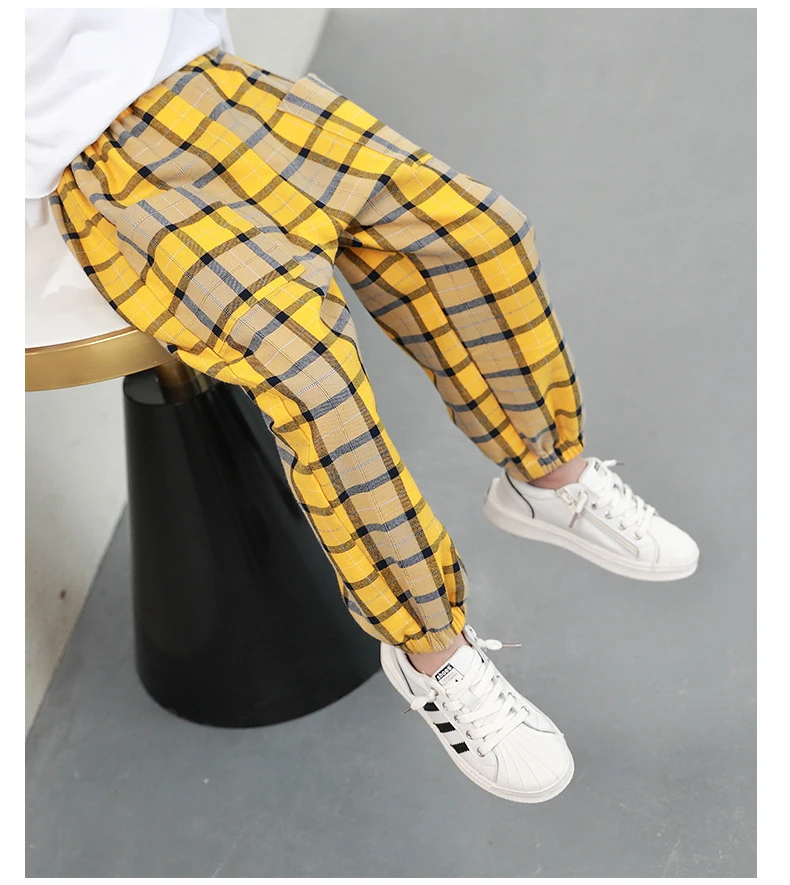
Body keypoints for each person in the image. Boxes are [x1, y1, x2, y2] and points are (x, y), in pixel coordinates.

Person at [26, 8, 699, 804]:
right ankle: (431, 651)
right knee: (311, 374)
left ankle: (548, 476)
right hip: (100, 167)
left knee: (478, 233)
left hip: (213, 85)